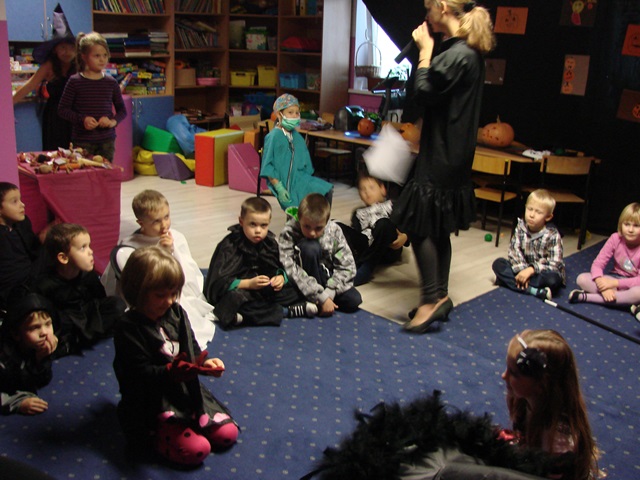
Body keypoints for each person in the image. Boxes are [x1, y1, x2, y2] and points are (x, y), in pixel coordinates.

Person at [390, 0, 496, 333]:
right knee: (436, 225)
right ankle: (440, 296)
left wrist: (424, 52)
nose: (426, 13)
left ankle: (430, 300)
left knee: (418, 223)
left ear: (443, 7)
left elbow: (423, 92)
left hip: (443, 155)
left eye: (429, 7)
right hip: (451, 152)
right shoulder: (463, 51)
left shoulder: (459, 53)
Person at [113, 246, 238, 466]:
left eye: (173, 293)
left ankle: (190, 420)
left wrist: (205, 362)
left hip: (185, 390)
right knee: (198, 449)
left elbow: (191, 346)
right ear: (138, 291)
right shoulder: (128, 327)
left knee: (228, 433)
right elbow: (137, 374)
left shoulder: (176, 312)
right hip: (152, 399)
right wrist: (170, 372)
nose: (170, 301)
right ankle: (157, 436)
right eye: (160, 295)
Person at [101, 190, 215, 349]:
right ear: (141, 223)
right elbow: (137, 283)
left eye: (166, 217)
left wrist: (172, 251)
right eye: (156, 221)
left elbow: (187, 274)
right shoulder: (128, 247)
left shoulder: (175, 236)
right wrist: (162, 253)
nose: (164, 225)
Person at [204, 197, 318, 329]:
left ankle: (245, 317)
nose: (258, 230)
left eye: (263, 225)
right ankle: (287, 311)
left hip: (263, 291)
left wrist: (281, 277)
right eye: (252, 224)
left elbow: (280, 266)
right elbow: (218, 284)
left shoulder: (269, 243)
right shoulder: (230, 245)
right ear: (241, 221)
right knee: (233, 300)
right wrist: (248, 284)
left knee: (295, 289)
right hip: (243, 291)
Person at [501, 329, 601, 480]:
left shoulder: (557, 439)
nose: (504, 376)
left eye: (514, 373)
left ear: (542, 384)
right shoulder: (525, 400)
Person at [35, 223, 125, 356]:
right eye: (83, 248)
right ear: (63, 258)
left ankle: (75, 342)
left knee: (117, 305)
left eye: (89, 246)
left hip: (86, 315)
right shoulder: (46, 284)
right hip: (66, 320)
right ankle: (77, 341)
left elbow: (100, 298)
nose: (91, 252)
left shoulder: (87, 274)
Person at [279, 193, 362, 317]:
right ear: (299, 219)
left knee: (354, 300)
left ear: (326, 222)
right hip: (302, 279)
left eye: (318, 228)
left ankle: (313, 303)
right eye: (307, 227)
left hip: (326, 278)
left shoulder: (334, 230)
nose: (312, 233)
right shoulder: (289, 231)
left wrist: (330, 292)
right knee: (310, 247)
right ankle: (315, 300)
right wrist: (320, 296)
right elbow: (289, 266)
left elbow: (347, 266)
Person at [12, 4, 76, 151]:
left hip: (75, 115)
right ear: (55, 49)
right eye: (63, 48)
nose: (67, 52)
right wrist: (9, 104)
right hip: (55, 116)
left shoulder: (79, 66)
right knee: (55, 152)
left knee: (76, 153)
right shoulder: (49, 65)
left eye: (71, 48)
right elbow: (30, 85)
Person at [57, 31, 127, 161]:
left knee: (106, 171)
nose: (102, 59)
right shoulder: (75, 81)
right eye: (96, 56)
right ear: (84, 57)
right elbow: (62, 110)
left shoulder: (111, 82)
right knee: (84, 172)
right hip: (82, 141)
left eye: (105, 55)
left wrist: (112, 122)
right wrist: (82, 119)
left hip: (106, 141)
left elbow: (122, 111)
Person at [259, 93, 333, 210]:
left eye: (297, 113)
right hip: (284, 182)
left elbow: (306, 164)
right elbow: (268, 165)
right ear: (279, 114)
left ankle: (322, 219)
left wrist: (307, 178)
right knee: (296, 207)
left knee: (326, 190)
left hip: (300, 179)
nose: (294, 116)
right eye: (290, 112)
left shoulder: (297, 137)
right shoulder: (274, 137)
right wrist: (279, 188)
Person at [492, 189, 565, 301]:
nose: (531, 215)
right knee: (498, 264)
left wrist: (531, 270)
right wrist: (522, 271)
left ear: (548, 217)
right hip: (522, 267)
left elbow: (555, 263)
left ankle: (510, 282)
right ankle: (534, 291)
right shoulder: (520, 227)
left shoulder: (553, 234)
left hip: (540, 272)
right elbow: (514, 251)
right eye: (529, 209)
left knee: (553, 280)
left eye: (538, 212)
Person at [338, 174, 409, 286]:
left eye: (371, 188)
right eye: (363, 189)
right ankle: (349, 262)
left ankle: (367, 268)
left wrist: (405, 237)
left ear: (383, 189)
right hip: (367, 245)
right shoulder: (358, 212)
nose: (367, 192)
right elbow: (357, 235)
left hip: (388, 247)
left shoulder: (393, 205)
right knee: (337, 225)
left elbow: (406, 225)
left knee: (383, 223)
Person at [569, 202, 640, 308]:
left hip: (632, 284)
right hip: (612, 278)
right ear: (621, 225)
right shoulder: (615, 238)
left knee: (637, 293)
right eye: (627, 224)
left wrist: (614, 284)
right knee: (582, 279)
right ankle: (623, 301)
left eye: (636, 226)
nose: (630, 230)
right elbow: (598, 264)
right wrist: (602, 286)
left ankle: (586, 297)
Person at [0, 293, 58, 415]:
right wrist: (16, 402)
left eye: (48, 324)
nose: (44, 333)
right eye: (34, 328)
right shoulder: (3, 355)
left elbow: (40, 382)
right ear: (16, 334)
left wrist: (41, 359)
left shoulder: (33, 345)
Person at [0, 183, 44, 314]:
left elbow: (36, 251)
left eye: (20, 199)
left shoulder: (22, 224)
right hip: (11, 292)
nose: (22, 205)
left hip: (32, 279)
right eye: (14, 202)